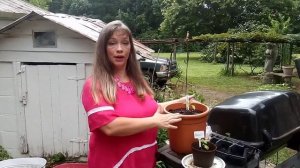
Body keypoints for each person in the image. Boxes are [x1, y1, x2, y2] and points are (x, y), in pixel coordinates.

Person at [81, 20, 192, 168]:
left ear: (130, 48)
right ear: (103, 48)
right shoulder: (95, 85)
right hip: (114, 162)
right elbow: (110, 126)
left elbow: (153, 108)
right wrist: (155, 121)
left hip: (143, 159)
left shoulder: (137, 80)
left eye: (125, 43)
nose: (119, 49)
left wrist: (182, 102)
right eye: (112, 43)